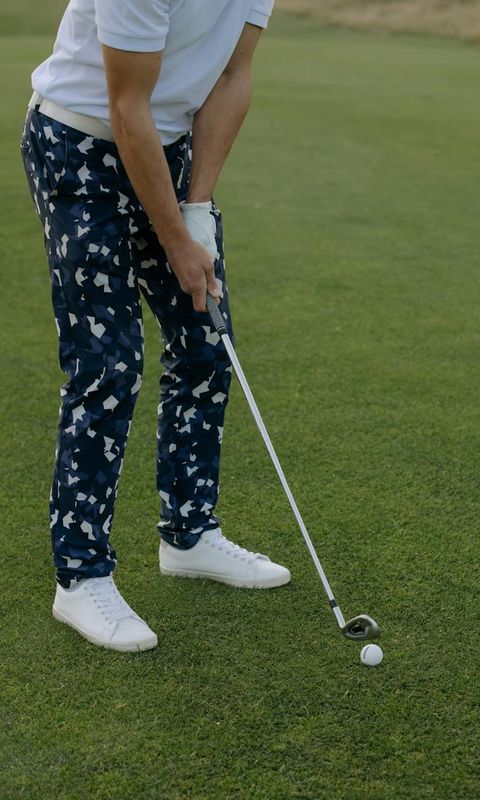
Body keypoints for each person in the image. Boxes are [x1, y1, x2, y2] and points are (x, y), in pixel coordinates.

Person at [21, 0, 290, 653]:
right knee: (107, 365)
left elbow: (233, 75)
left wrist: (197, 207)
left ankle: (189, 535)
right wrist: (174, 239)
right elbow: (127, 103)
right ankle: (80, 575)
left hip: (168, 148)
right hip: (78, 148)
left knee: (206, 343)